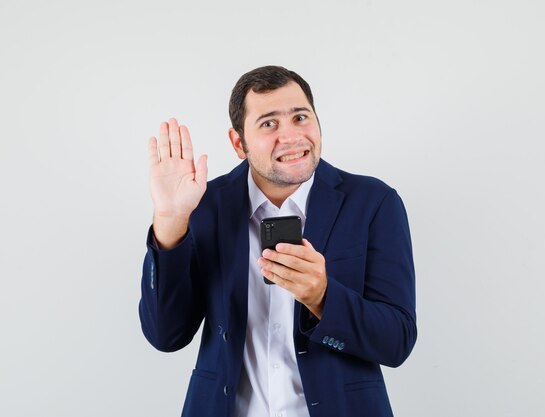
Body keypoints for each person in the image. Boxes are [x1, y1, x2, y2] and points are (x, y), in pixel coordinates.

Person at [139, 65, 417, 417]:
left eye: (300, 117)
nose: (291, 136)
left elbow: (397, 341)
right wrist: (170, 221)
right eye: (269, 123)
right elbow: (166, 335)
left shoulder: (373, 202)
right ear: (239, 142)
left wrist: (323, 297)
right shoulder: (205, 204)